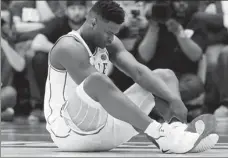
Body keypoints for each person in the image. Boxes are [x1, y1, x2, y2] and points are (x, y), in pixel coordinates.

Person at [44, 0, 218, 153]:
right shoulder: (68, 47)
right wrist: (150, 123)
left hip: (106, 129)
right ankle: (160, 133)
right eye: (108, 33)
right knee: (97, 80)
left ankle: (176, 132)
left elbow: (139, 72)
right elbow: (100, 95)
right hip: (70, 133)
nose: (112, 38)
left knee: (164, 76)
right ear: (93, 22)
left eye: (115, 33)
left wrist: (173, 99)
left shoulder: (108, 41)